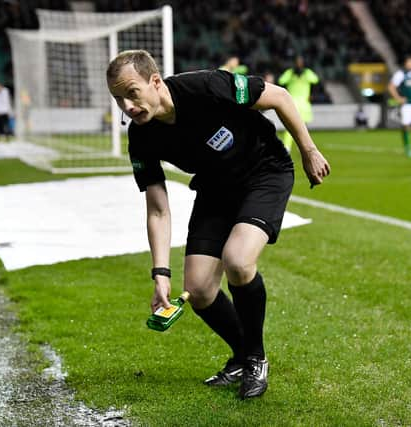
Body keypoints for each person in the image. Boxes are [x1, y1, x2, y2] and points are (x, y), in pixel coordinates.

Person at [106, 50, 330, 400]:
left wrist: (309, 150)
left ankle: (256, 358)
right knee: (198, 289)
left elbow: (280, 97)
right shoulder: (142, 136)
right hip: (216, 188)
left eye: (131, 93)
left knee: (238, 261)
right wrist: (160, 273)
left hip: (264, 172)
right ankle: (242, 355)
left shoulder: (208, 85)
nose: (127, 106)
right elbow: (158, 210)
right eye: (118, 98)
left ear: (154, 81)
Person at [277, 55, 319, 151]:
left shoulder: (291, 73)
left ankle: (293, 147)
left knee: (293, 126)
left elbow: (281, 81)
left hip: (296, 103)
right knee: (299, 127)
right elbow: (316, 80)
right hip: (299, 103)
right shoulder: (306, 73)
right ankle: (298, 147)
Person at [388, 56, 411, 157]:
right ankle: (407, 148)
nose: (410, 64)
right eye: (408, 62)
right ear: (405, 64)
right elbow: (391, 87)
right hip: (407, 104)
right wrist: (398, 98)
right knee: (406, 126)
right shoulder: (401, 74)